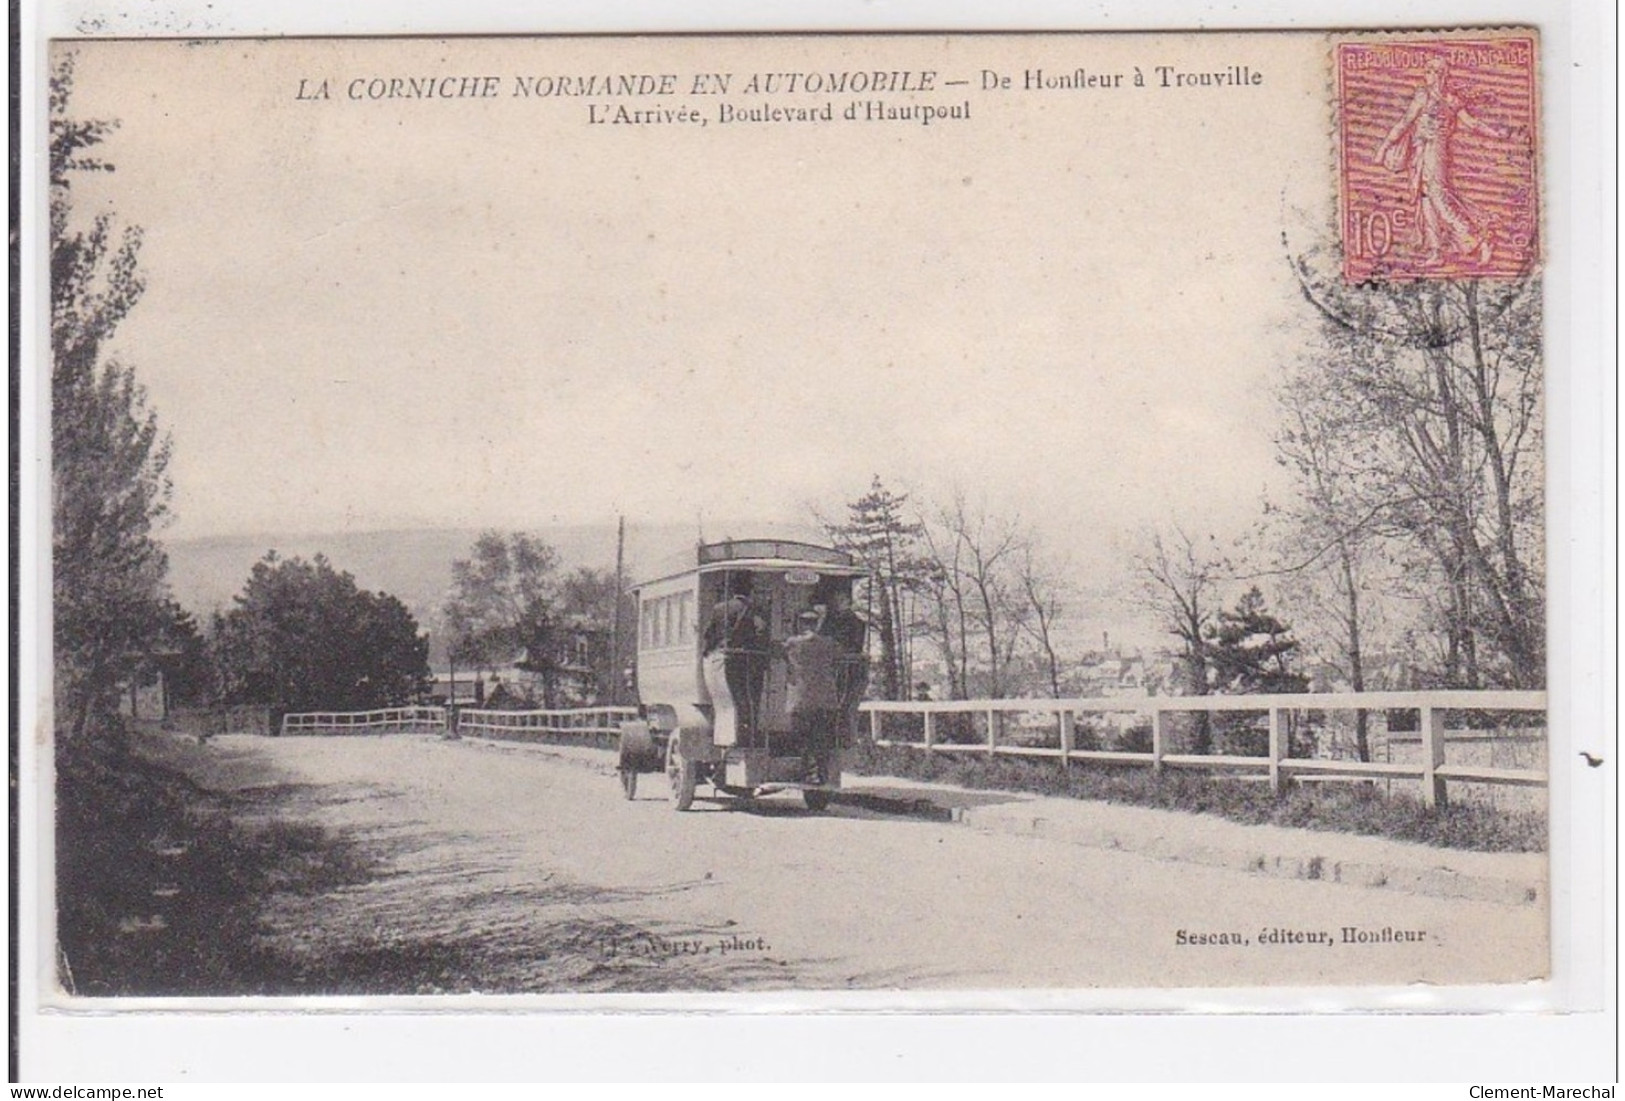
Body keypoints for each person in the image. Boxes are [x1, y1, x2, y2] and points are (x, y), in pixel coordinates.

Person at [1374, 54, 1513, 267]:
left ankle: (1479, 240)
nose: (1426, 75)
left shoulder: (1449, 100)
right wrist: (1384, 147)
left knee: (1438, 197)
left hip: (1435, 151)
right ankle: (1436, 252)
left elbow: (1472, 124)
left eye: (1430, 71)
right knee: (1425, 199)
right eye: (1426, 71)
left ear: (1440, 74)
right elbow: (1404, 123)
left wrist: (1496, 133)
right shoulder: (1424, 96)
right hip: (1420, 151)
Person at [702, 572, 767, 740]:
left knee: (728, 698)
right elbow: (761, 632)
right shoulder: (755, 610)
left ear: (732, 590)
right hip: (750, 661)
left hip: (723, 661)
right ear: (750, 590)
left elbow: (709, 635)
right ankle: (749, 735)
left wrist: (708, 652)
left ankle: (728, 734)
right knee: (750, 699)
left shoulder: (719, 608)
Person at [784, 607, 841, 783]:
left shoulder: (793, 642)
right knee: (821, 738)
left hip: (800, 699)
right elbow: (837, 658)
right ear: (817, 624)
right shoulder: (829, 643)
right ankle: (819, 774)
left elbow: (780, 654)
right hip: (826, 699)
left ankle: (807, 773)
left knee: (802, 738)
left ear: (800, 623)